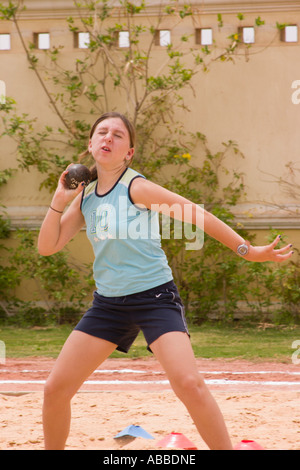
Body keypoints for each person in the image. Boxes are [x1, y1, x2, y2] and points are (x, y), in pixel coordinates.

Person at [38, 112, 293, 450]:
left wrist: (247, 250)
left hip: (154, 298)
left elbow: (195, 214)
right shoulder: (85, 197)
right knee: (55, 389)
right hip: (108, 305)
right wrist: (58, 202)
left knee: (189, 383)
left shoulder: (136, 187)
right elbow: (47, 246)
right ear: (90, 144)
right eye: (102, 132)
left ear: (129, 152)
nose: (108, 138)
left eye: (117, 135)